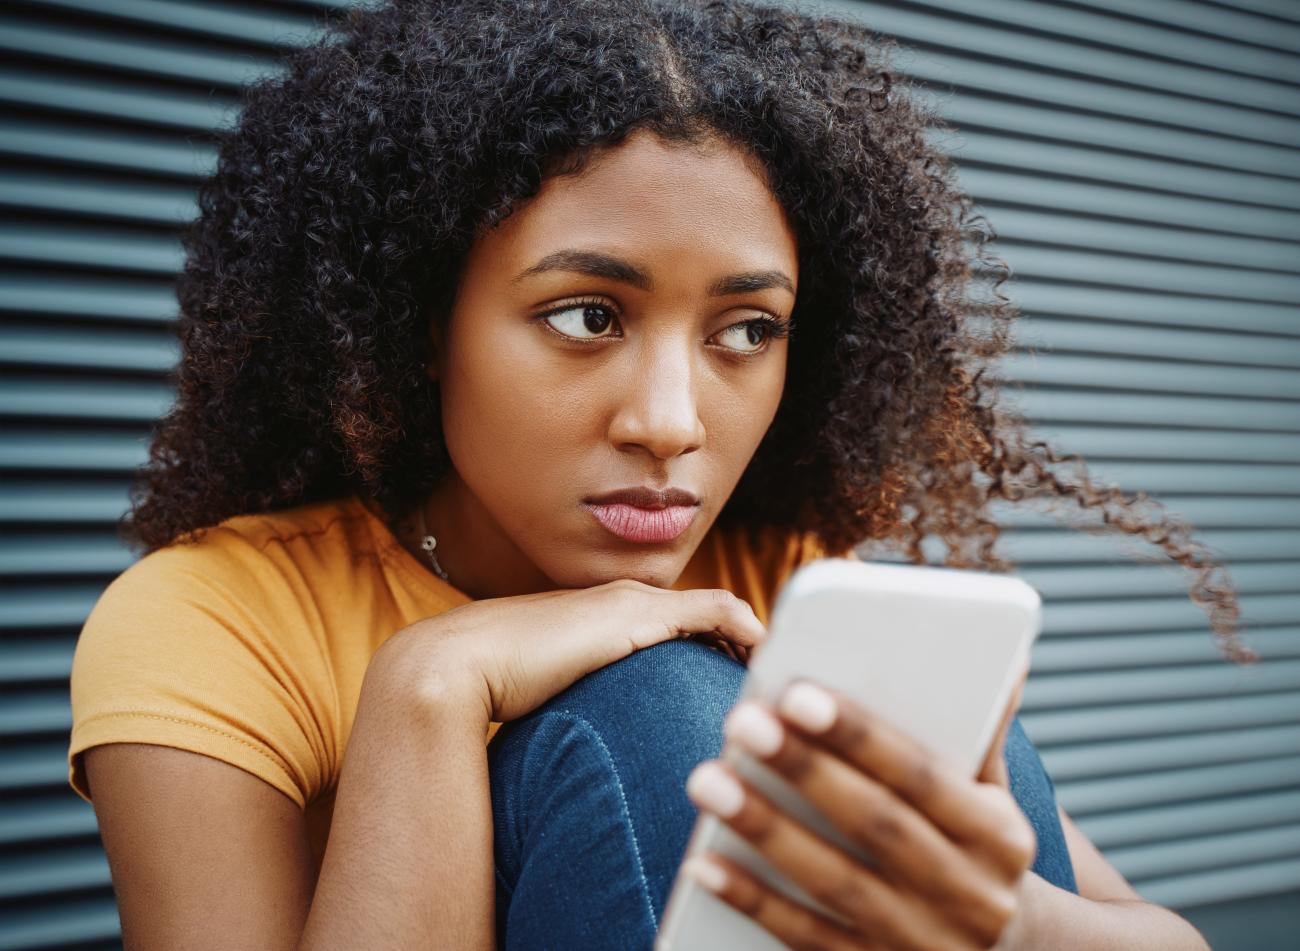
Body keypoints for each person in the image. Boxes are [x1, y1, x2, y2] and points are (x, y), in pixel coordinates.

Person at [67, 0, 1253, 948]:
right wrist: (429, 690)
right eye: (587, 314)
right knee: (656, 707)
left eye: (745, 331)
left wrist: (1009, 928)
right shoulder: (212, 624)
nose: (670, 423)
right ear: (427, 322)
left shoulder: (782, 575)